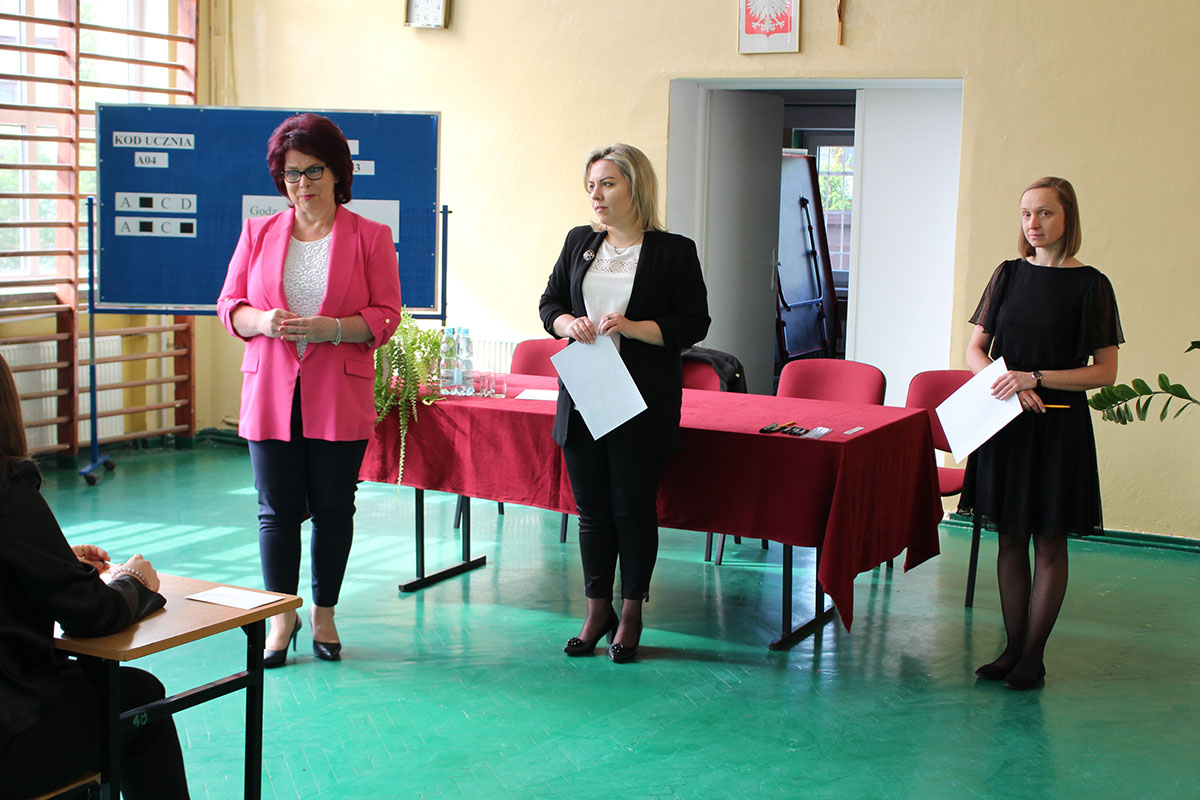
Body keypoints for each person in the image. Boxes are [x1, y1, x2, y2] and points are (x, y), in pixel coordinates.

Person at [217, 113, 402, 667]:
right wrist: (261, 321)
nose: (302, 184)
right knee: (274, 512)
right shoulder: (258, 233)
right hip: (270, 392)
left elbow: (387, 314)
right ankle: (282, 615)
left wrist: (333, 329)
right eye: (292, 173)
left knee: (333, 509)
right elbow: (229, 306)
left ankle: (324, 613)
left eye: (314, 170)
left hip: (338, 393)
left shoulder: (370, 236)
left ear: (338, 172)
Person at [539, 143, 710, 663]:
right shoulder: (580, 242)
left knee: (632, 510)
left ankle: (631, 611)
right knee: (591, 512)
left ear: (636, 187)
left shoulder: (673, 251)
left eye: (608, 183)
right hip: (584, 394)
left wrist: (635, 328)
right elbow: (549, 303)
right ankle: (597, 611)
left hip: (641, 399)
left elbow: (694, 323)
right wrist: (567, 323)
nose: (596, 195)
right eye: (591, 185)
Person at [0, 354, 190, 799]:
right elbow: (91, 615)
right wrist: (132, 581)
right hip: (10, 737)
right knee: (140, 700)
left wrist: (55, 559)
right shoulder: (9, 491)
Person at [959, 177, 1123, 690]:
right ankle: (1012, 648)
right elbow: (975, 351)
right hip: (1006, 424)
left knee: (1049, 543)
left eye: (1045, 213)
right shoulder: (1007, 275)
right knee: (1009, 539)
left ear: (1067, 218)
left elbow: (1105, 372)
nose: (1033, 223)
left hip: (1059, 430)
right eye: (1027, 213)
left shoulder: (1092, 285)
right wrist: (1008, 386)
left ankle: (1033, 655)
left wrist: (1035, 378)